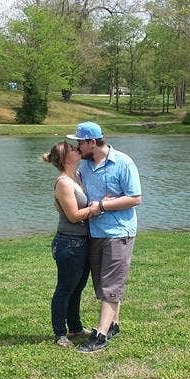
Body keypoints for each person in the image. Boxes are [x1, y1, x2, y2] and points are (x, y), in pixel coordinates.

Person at [67, 122, 142, 353]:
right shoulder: (85, 168)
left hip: (119, 233)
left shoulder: (123, 162)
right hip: (95, 233)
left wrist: (103, 205)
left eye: (80, 142)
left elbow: (135, 198)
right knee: (102, 282)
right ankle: (113, 324)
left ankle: (100, 336)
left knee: (110, 284)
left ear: (92, 142)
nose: (77, 146)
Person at [41, 141, 103, 347]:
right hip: (69, 243)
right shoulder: (63, 183)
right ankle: (60, 333)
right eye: (73, 149)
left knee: (78, 287)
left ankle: (75, 327)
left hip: (82, 242)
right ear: (66, 158)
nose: (78, 149)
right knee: (65, 288)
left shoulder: (76, 177)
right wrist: (97, 208)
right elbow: (74, 215)